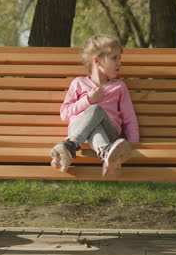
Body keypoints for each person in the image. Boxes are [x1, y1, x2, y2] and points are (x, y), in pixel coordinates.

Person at [50, 34, 139, 177]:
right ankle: (106, 154)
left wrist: (133, 145)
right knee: (94, 112)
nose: (119, 63)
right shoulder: (78, 83)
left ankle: (70, 146)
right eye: (114, 58)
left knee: (96, 111)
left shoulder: (119, 87)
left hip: (110, 132)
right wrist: (88, 100)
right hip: (80, 131)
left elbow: (129, 119)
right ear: (97, 61)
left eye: (119, 58)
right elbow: (65, 114)